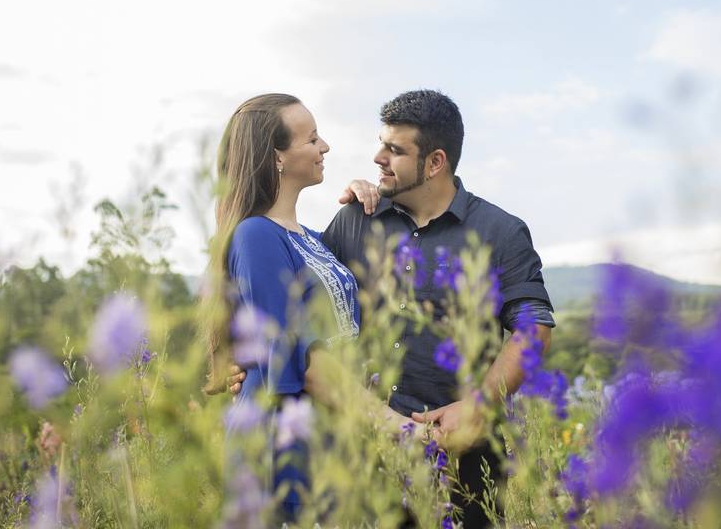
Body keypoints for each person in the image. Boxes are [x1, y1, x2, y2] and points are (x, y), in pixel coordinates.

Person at [226, 89, 556, 528]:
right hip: (360, 460)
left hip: (458, 460)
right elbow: (288, 300)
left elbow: (534, 326)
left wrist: (478, 407)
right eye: (381, 142)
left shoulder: (500, 232)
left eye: (395, 150)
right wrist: (245, 361)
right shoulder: (355, 219)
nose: (377, 157)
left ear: (435, 162)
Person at [201, 93, 407, 522]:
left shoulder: (311, 239)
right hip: (285, 450)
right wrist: (397, 426)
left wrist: (371, 193)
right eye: (311, 139)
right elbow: (303, 358)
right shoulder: (255, 236)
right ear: (276, 157)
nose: (325, 147)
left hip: (332, 437)